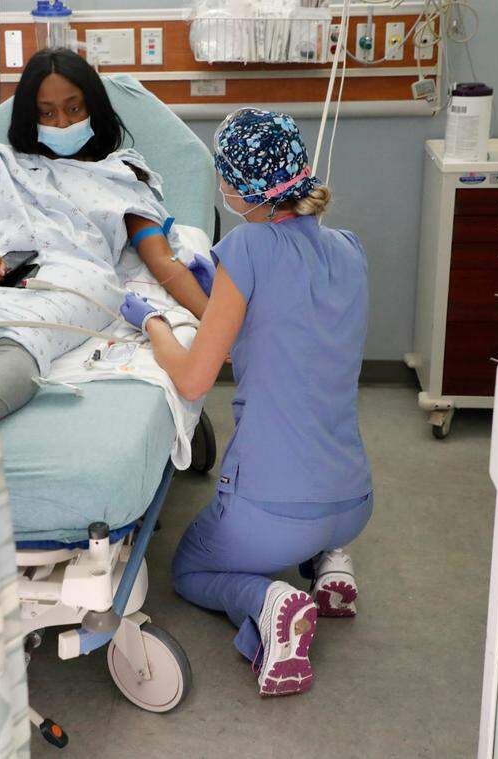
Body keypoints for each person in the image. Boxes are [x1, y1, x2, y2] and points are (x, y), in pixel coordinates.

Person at [120, 108, 373, 697]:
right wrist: (224, 289)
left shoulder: (247, 246)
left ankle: (271, 602)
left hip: (271, 515)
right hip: (355, 499)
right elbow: (288, 336)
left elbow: (192, 379)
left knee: (191, 569)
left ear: (236, 185)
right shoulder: (350, 249)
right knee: (316, 463)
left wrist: (153, 321)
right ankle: (331, 563)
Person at [0, 48, 209, 420]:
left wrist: (217, 326)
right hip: (2, 274)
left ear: (93, 109)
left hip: (78, 280)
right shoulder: (1, 162)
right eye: (46, 113)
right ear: (29, 117)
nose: (62, 122)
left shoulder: (122, 174)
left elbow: (161, 259)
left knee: (23, 340)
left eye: (74, 108)